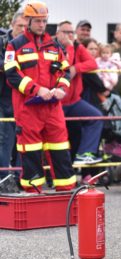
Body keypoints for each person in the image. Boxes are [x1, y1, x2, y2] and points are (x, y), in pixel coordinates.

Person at [3, 1, 76, 192]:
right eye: (37, 21)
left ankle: (67, 192)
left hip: (52, 108)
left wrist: (61, 88)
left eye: (44, 21)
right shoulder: (14, 45)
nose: (42, 25)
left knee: (60, 149)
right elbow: (11, 74)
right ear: (28, 20)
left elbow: (65, 71)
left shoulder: (54, 45)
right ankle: (33, 195)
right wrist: (37, 90)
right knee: (31, 152)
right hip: (28, 108)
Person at [56, 20, 104, 165]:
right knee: (57, 138)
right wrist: (70, 48)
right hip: (56, 102)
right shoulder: (51, 46)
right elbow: (66, 67)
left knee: (96, 117)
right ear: (57, 33)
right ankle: (51, 174)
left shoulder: (78, 46)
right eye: (65, 32)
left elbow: (92, 63)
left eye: (71, 32)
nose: (69, 35)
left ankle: (85, 154)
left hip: (74, 101)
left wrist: (77, 68)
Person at [0, 11, 27, 180]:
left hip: (20, 98)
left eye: (26, 26)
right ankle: (3, 178)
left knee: (21, 140)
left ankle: (18, 177)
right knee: (3, 139)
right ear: (12, 24)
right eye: (20, 26)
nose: (23, 29)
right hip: (2, 98)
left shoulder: (30, 43)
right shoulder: (2, 40)